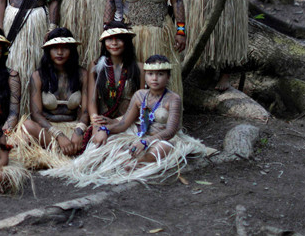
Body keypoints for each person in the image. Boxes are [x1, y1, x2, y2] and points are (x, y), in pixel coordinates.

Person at [45, 55, 209, 186]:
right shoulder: (140, 95)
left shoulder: (173, 99)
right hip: (138, 134)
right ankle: (124, 161)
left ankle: (138, 163)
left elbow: (170, 131)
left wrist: (146, 142)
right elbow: (124, 124)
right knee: (108, 144)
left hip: (163, 138)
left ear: (168, 77)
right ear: (146, 75)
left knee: (162, 149)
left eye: (160, 74)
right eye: (151, 74)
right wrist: (105, 130)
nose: (155, 78)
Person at [17, 28, 88, 170]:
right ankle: (65, 152)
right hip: (49, 131)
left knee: (98, 130)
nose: (60, 52)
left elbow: (86, 111)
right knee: (27, 125)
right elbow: (36, 114)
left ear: (72, 50)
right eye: (55, 48)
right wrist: (58, 135)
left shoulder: (82, 74)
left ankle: (64, 151)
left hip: (74, 128)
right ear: (48, 50)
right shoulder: (38, 76)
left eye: (64, 48)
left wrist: (79, 131)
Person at [86, 23, 139, 133]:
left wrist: (115, 121)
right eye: (109, 39)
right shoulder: (95, 66)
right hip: (101, 121)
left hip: (128, 124)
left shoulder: (139, 68)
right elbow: (92, 100)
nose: (114, 43)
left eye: (119, 39)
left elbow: (141, 104)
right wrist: (95, 123)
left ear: (127, 41)